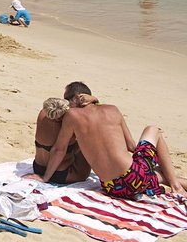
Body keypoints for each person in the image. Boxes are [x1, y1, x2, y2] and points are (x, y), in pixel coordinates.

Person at [32, 83, 187, 199]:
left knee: (153, 174)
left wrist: (45, 178)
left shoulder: (72, 116)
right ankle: (176, 187)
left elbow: (59, 150)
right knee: (153, 130)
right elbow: (132, 146)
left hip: (113, 188)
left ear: (73, 99)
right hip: (135, 178)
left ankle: (170, 181)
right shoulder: (112, 109)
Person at [29, 97, 91, 184]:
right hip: (61, 174)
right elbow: (58, 152)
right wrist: (45, 178)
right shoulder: (67, 124)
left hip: (38, 168)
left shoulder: (42, 114)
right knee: (86, 142)